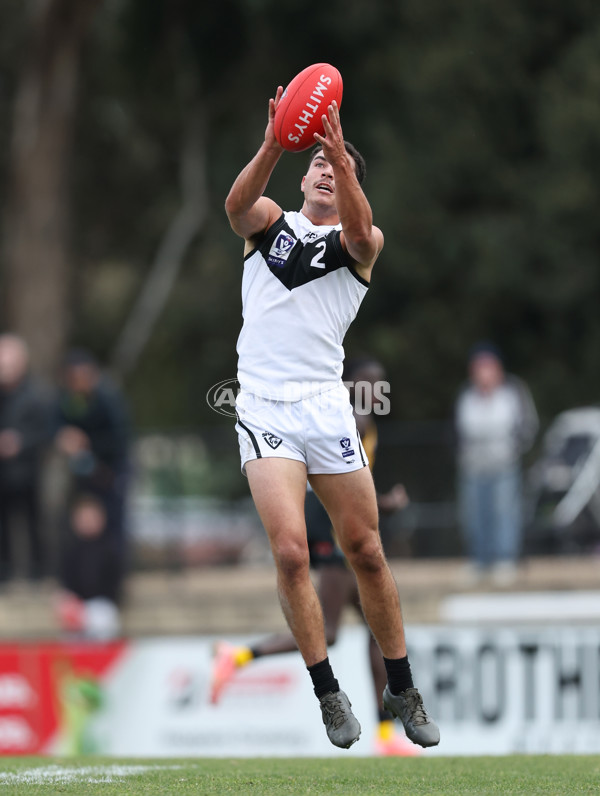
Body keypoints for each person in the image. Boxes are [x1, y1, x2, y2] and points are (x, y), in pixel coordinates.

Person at [224, 89, 439, 750]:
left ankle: (401, 686)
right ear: (300, 174)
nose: (324, 166)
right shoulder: (269, 224)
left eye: (336, 163)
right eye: (316, 160)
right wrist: (272, 141)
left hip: (325, 405)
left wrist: (343, 156)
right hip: (263, 405)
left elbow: (359, 227)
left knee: (367, 551)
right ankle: (328, 693)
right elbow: (234, 207)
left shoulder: (361, 242)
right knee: (290, 551)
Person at [211, 357, 418, 756]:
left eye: (378, 385)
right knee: (335, 632)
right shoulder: (350, 422)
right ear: (347, 383)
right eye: (366, 384)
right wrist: (389, 502)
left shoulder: (357, 420)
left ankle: (386, 733)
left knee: (376, 632)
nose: (373, 394)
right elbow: (346, 493)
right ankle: (237, 656)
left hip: (338, 532)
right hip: (332, 534)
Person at [455, 342, 539, 585]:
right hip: (472, 466)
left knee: (504, 513)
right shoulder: (466, 394)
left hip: (504, 464)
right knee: (473, 515)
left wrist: (513, 450)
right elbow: (457, 430)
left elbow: (527, 425)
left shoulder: (513, 392)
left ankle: (504, 560)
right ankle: (479, 561)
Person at [53, 349, 131, 554]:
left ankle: (113, 571)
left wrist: (87, 443)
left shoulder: (108, 399)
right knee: (82, 522)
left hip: (111, 472)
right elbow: (54, 424)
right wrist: (64, 436)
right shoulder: (67, 400)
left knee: (113, 522)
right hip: (84, 475)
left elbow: (120, 438)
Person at [0, 333, 51, 582]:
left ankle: (38, 573)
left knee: (34, 523)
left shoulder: (37, 394)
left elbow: (46, 431)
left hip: (28, 471)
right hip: (2, 473)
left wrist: (20, 442)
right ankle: (5, 573)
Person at [56, 492, 123, 640]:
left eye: (91, 517)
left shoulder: (111, 549)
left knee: (102, 619)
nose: (87, 522)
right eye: (82, 517)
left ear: (101, 519)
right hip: (78, 608)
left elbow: (113, 585)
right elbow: (66, 584)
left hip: (102, 607)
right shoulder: (70, 550)